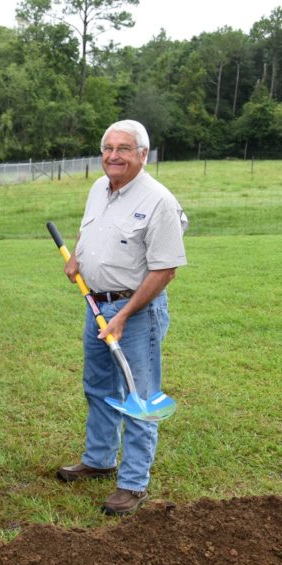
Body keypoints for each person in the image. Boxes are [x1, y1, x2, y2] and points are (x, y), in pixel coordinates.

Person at [56, 119, 187, 515]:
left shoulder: (159, 201)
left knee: (139, 396)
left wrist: (125, 315)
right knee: (98, 387)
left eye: (124, 149)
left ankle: (132, 483)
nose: (113, 156)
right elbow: (91, 230)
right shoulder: (100, 187)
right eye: (108, 148)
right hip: (95, 305)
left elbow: (165, 270)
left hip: (135, 311)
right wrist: (79, 254)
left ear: (143, 155)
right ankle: (99, 460)